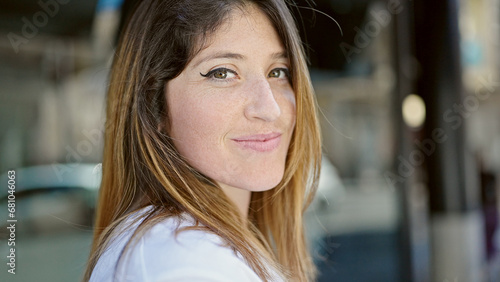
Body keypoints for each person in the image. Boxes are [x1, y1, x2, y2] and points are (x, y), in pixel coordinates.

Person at [83, 0, 321, 281]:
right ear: (153, 105)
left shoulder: (190, 249)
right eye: (222, 73)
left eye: (278, 72)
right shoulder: (181, 261)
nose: (270, 109)